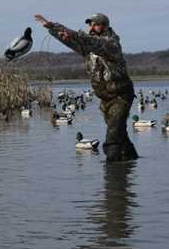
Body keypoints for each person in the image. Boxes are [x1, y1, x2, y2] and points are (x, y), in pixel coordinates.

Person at [34, 13, 138, 161]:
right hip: (105, 98)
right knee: (120, 133)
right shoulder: (89, 48)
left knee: (112, 136)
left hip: (120, 96)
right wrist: (52, 27)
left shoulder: (111, 43)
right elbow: (72, 41)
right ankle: (131, 161)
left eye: (95, 24)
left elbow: (91, 42)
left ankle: (112, 172)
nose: (91, 27)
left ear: (105, 26)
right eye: (90, 24)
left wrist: (69, 33)